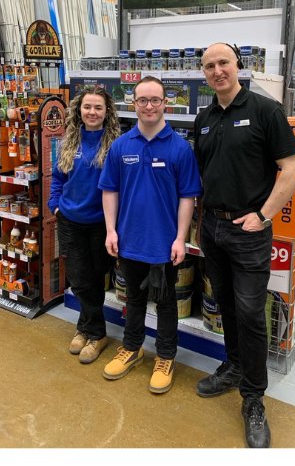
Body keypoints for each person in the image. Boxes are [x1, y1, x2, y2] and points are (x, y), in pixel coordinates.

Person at [192, 42, 295, 449]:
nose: (217, 70)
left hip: (249, 232)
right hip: (213, 230)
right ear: (203, 74)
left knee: (252, 313)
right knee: (225, 305)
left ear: (238, 65)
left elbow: (293, 169)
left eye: (223, 63)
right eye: (209, 66)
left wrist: (264, 215)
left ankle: (254, 399)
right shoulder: (204, 118)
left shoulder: (264, 110)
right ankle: (235, 366)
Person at [98, 76, 201, 394]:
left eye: (155, 100)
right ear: (134, 103)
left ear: (165, 104)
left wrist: (180, 238)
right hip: (129, 240)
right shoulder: (121, 145)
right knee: (133, 298)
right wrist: (111, 230)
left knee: (167, 303)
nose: (149, 106)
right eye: (142, 100)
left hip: (164, 244)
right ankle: (132, 347)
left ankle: (166, 356)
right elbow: (110, 190)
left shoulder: (180, 148)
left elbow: (188, 197)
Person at [48, 85, 121, 364]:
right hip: (70, 220)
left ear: (107, 112)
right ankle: (96, 332)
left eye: (98, 107)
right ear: (79, 109)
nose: (92, 112)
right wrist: (54, 204)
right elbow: (57, 177)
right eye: (87, 107)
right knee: (78, 279)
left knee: (94, 276)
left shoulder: (116, 143)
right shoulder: (69, 140)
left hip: (101, 223)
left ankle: (85, 328)